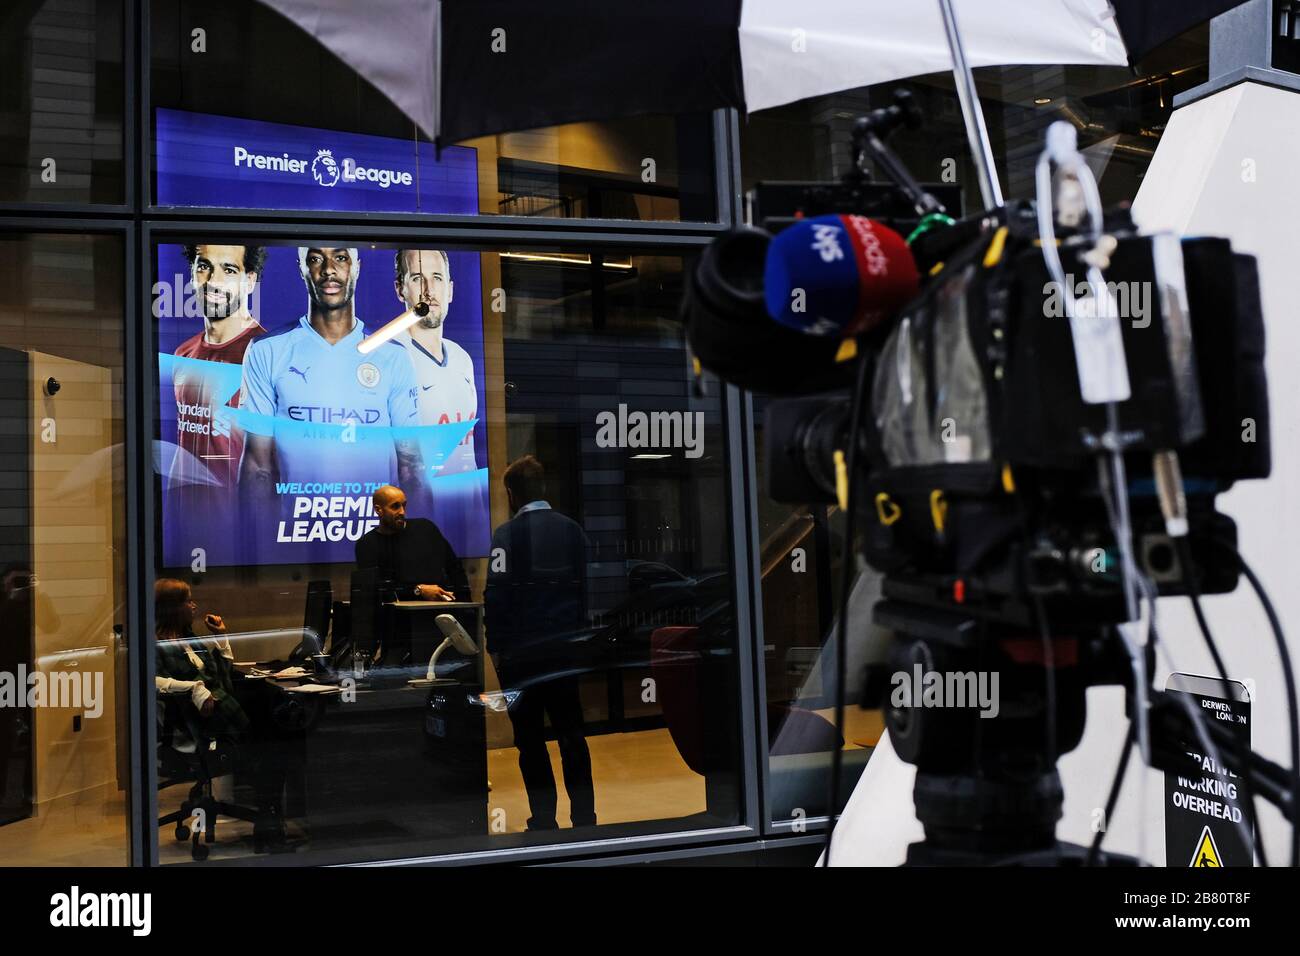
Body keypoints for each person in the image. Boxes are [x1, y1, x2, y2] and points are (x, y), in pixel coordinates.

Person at [237, 246, 426, 504]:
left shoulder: (393, 356)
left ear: (356, 267)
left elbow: (411, 468)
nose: (328, 269)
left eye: (340, 258)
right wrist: (256, 543)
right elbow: (258, 467)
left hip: (375, 532)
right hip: (296, 533)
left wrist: (420, 539)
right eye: (315, 259)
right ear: (301, 268)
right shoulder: (267, 350)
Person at [483, 456, 595, 831]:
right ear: (543, 489)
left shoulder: (505, 536)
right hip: (564, 651)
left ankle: (544, 819)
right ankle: (585, 818)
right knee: (572, 737)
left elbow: (496, 596)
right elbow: (584, 592)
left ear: (512, 495)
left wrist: (495, 648)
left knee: (530, 741)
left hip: (522, 655)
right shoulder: (572, 530)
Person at [153, 578, 287, 848]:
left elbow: (221, 679)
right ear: (172, 608)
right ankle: (268, 820)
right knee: (272, 741)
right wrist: (194, 688)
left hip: (221, 711)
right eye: (187, 601)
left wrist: (221, 639)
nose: (194, 605)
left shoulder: (189, 637)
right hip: (198, 727)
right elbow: (153, 680)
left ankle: (269, 815)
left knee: (273, 708)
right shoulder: (156, 645)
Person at [169, 243, 267, 501]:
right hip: (186, 518)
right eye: (204, 267)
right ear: (192, 274)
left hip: (237, 520)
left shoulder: (263, 355)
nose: (214, 280)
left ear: (250, 281)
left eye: (229, 270)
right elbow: (185, 441)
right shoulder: (183, 353)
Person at [392, 249, 478, 473]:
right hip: (418, 506)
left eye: (437, 278)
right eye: (418, 279)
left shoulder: (461, 358)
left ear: (450, 290)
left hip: (464, 504)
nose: (429, 291)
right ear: (400, 290)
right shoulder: (390, 357)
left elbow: (467, 453)